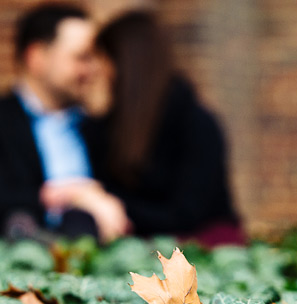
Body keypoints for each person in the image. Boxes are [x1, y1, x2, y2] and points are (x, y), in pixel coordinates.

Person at [0, 2, 130, 242]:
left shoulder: (99, 129)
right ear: (37, 58)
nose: (93, 69)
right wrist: (71, 194)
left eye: (95, 58)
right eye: (82, 57)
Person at [84, 10, 244, 246]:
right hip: (134, 256)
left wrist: (107, 202)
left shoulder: (196, 124)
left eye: (99, 59)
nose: (93, 71)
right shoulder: (103, 129)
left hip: (204, 254)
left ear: (123, 63)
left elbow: (187, 215)